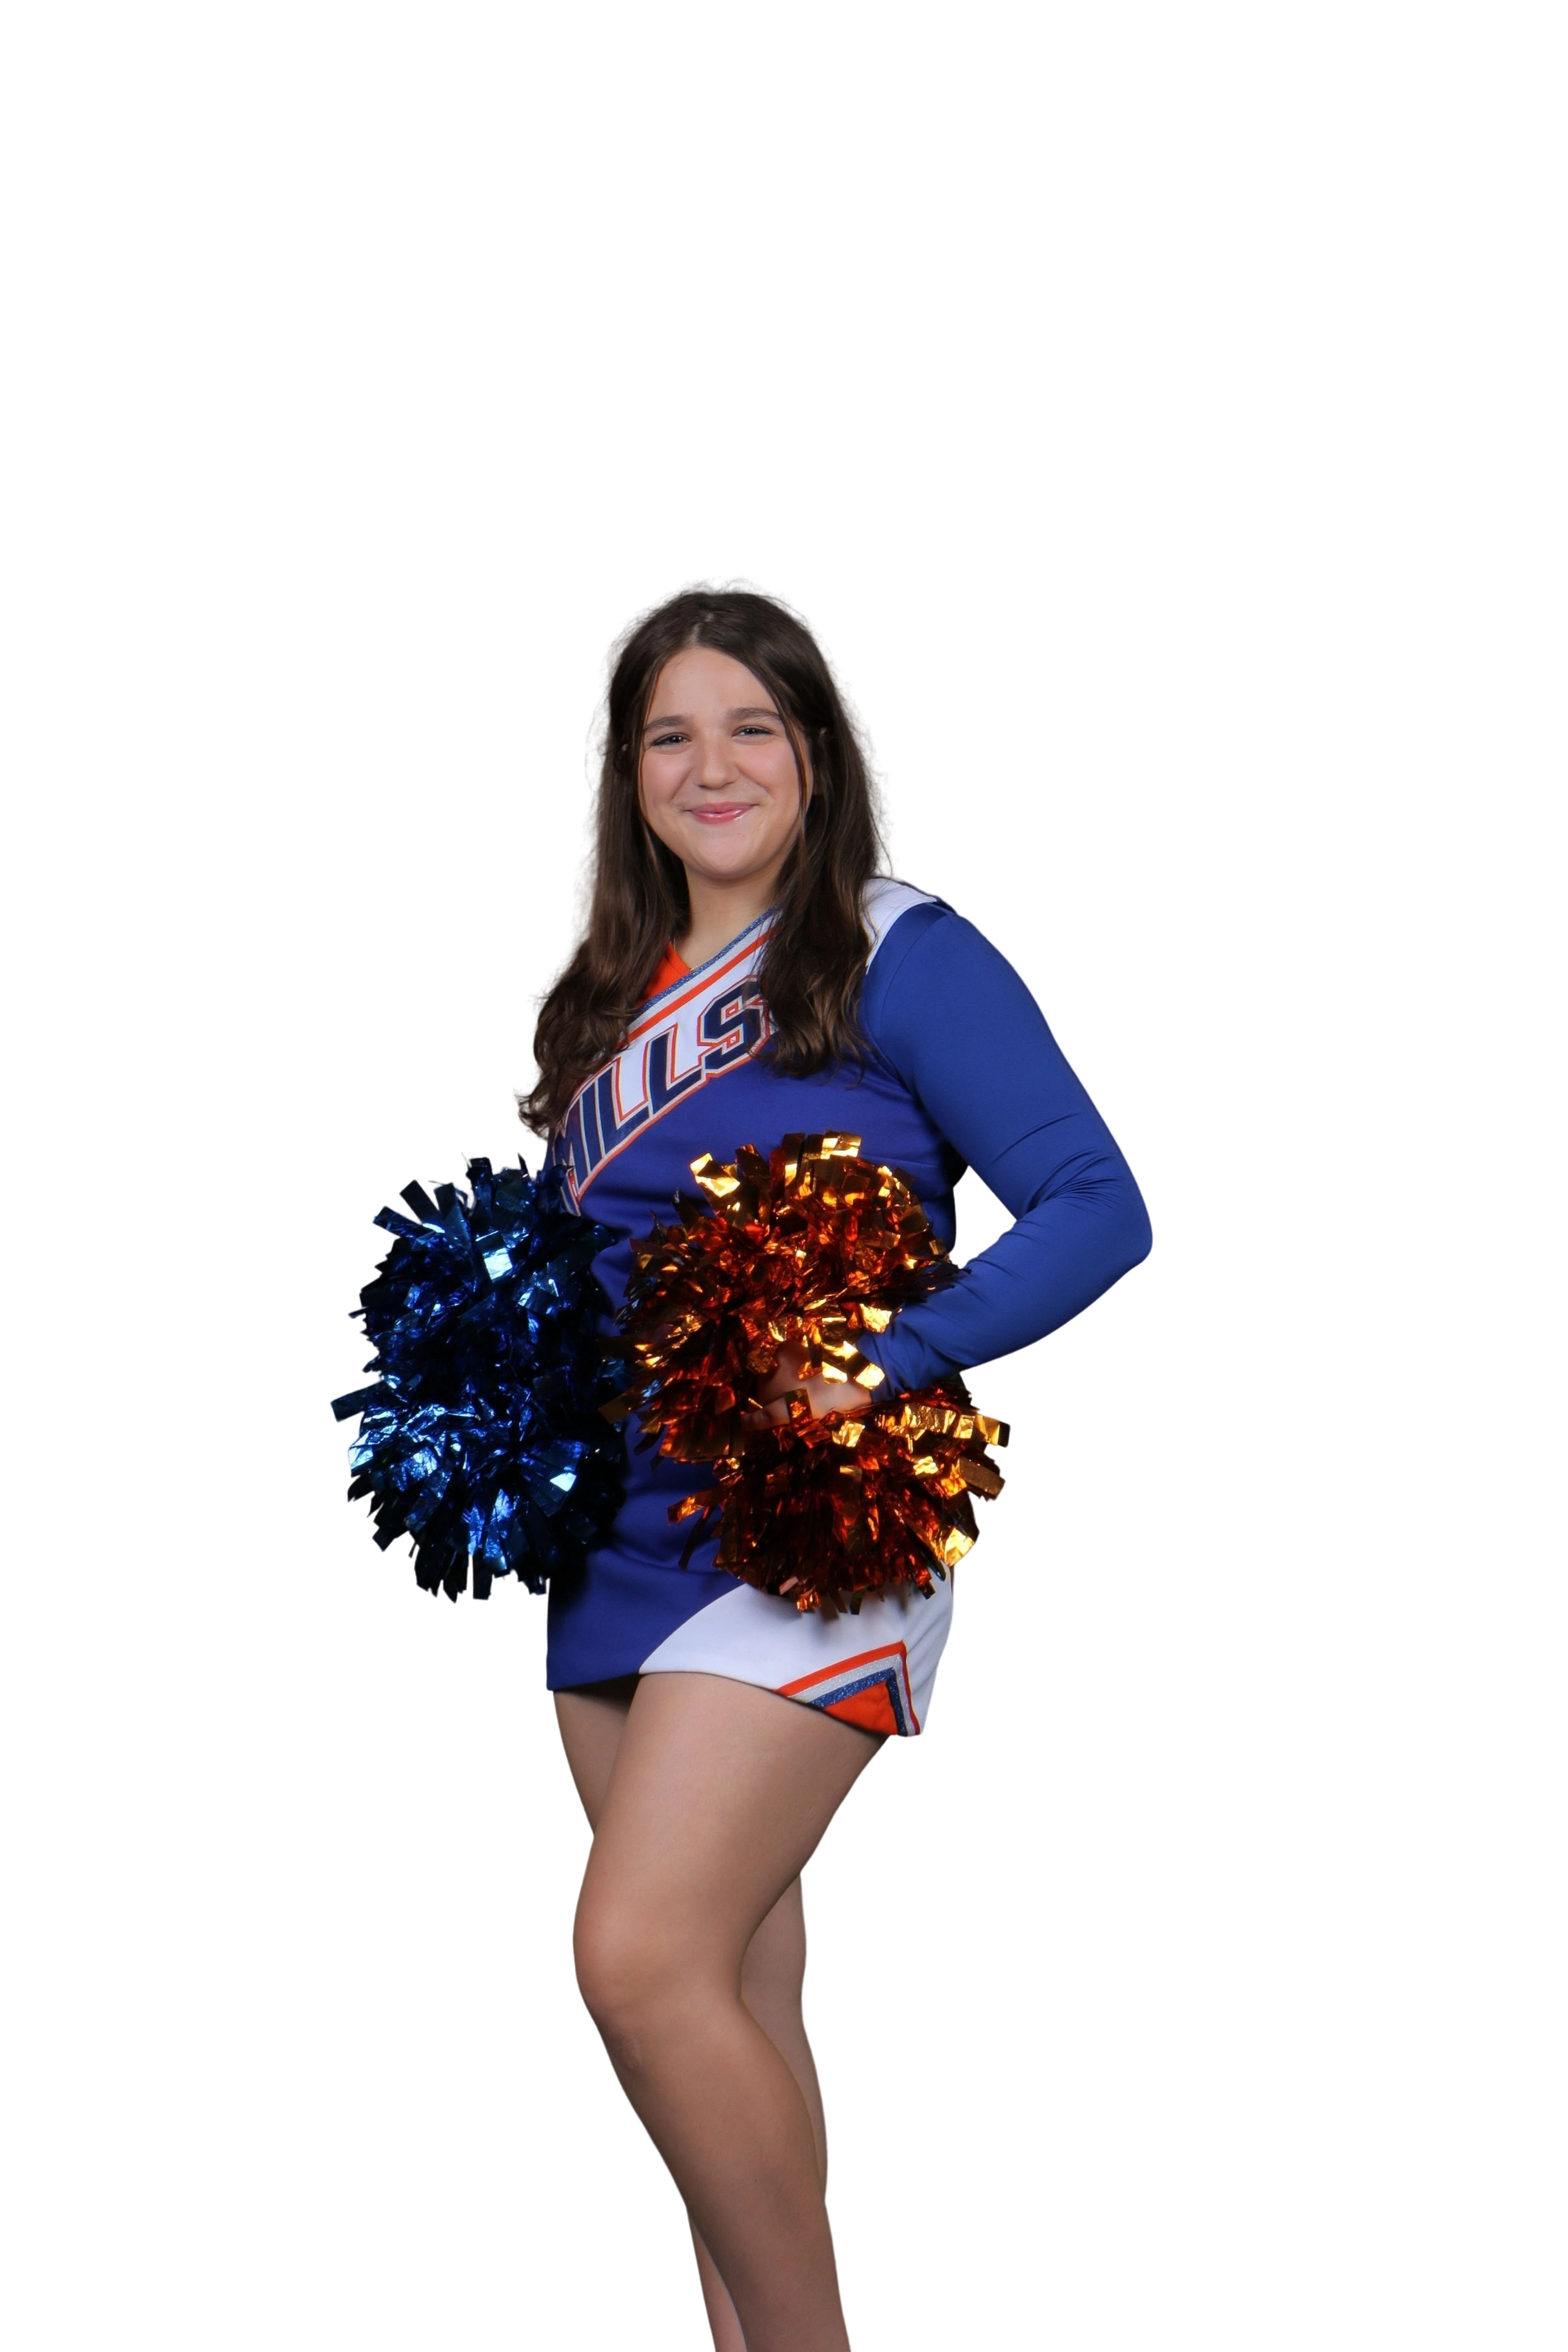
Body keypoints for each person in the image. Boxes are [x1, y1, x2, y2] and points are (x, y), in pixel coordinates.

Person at [514, 573, 1155, 2352]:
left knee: (638, 1961)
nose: (712, 766)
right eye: (670, 735)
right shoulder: (606, 995)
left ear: (819, 747)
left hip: (804, 1531)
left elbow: (1097, 1206)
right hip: (615, 1543)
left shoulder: (900, 947)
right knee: (728, 2003)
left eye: (753, 725)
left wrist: (884, 1361)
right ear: (626, 770)